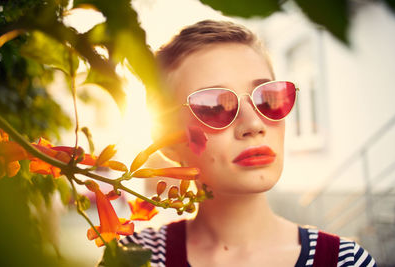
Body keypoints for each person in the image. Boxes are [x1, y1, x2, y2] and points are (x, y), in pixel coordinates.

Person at [120, 20, 377, 267]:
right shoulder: (134, 258)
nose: (254, 124)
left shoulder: (345, 261)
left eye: (268, 98)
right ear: (167, 141)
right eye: (214, 106)